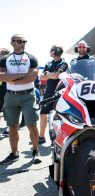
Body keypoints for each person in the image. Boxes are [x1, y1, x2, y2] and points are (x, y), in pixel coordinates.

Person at [0, 34, 41, 165]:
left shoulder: (31, 58)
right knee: (12, 126)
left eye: (24, 41)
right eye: (19, 41)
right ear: (12, 43)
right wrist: (21, 75)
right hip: (11, 96)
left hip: (28, 95)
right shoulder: (5, 59)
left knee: (31, 125)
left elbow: (31, 77)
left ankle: (35, 151)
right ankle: (14, 154)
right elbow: (2, 77)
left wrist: (12, 78)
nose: (22, 43)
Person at [39, 45, 68, 144]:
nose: (50, 51)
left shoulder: (64, 63)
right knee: (43, 114)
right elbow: (42, 77)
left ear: (55, 51)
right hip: (48, 93)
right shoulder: (48, 63)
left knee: (58, 117)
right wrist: (50, 74)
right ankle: (41, 137)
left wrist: (48, 74)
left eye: (51, 50)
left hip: (60, 93)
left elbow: (56, 76)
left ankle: (57, 138)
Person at [0, 48, 10, 136]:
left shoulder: (9, 63)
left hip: (7, 88)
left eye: (1, 54)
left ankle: (9, 128)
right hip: (1, 88)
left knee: (7, 109)